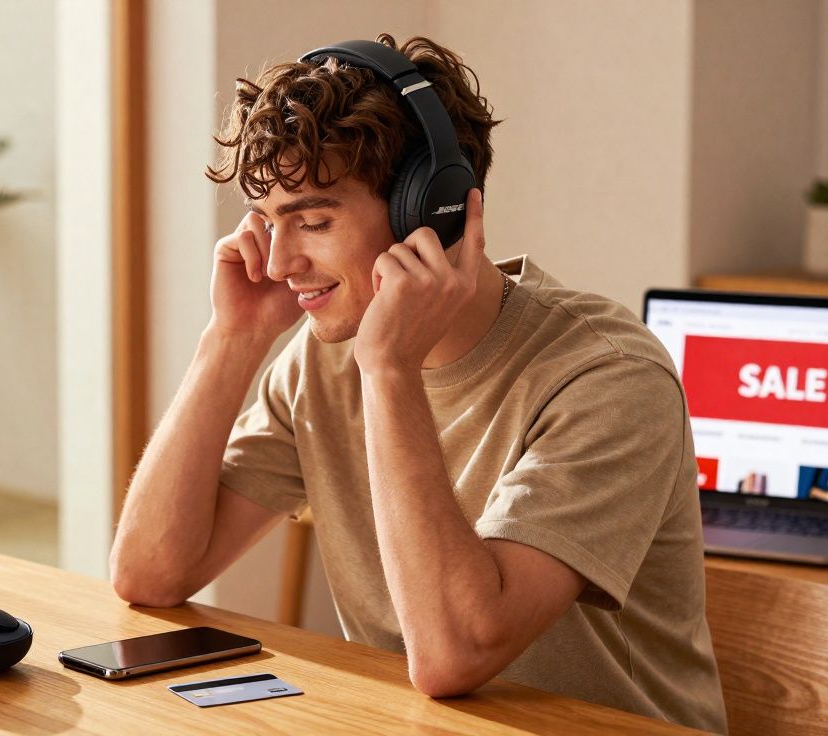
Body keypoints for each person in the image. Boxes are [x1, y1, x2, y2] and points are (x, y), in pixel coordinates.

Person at [109, 33, 727, 732]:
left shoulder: (608, 377)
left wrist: (390, 369)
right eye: (267, 223)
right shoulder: (322, 358)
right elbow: (149, 574)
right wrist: (231, 340)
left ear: (430, 211)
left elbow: (454, 654)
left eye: (311, 220)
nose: (279, 263)